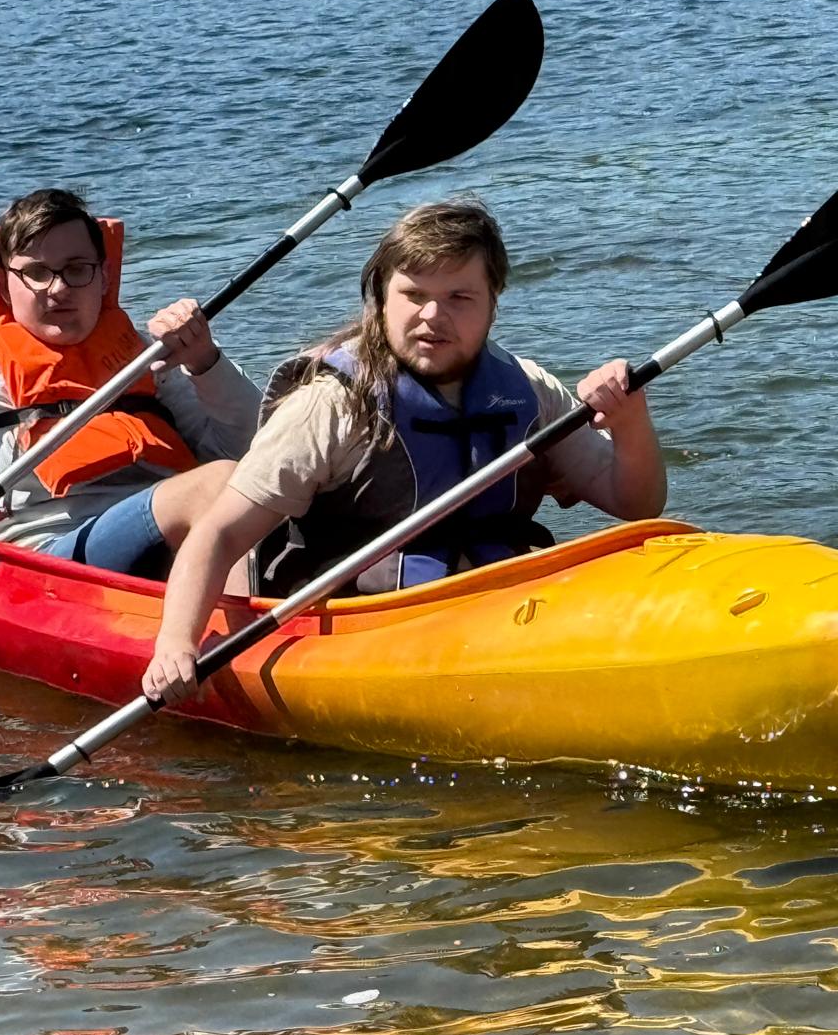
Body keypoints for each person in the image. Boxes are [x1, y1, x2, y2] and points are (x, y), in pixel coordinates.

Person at [141, 197, 667, 703]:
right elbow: (220, 533)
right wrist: (177, 643)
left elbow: (635, 503)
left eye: (460, 298)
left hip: (498, 603)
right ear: (381, 299)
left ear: (493, 303)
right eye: (414, 294)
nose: (433, 315)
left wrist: (629, 421)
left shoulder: (528, 391)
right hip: (366, 626)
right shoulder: (331, 405)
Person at [0, 188, 260, 575]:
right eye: (37, 272)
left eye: (77, 269)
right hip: (57, 556)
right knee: (221, 484)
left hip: (174, 527)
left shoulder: (145, 353)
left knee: (265, 474)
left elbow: (249, 450)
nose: (57, 289)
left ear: (103, 276)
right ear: (3, 285)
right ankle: (238, 619)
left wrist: (206, 362)